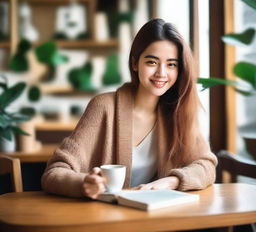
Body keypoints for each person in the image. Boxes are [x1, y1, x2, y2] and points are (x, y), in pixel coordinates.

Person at [41, 18, 217, 199]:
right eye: (152, 62)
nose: (161, 73)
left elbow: (206, 165)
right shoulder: (103, 107)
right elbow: (54, 172)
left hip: (155, 217)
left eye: (171, 64)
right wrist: (85, 183)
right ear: (135, 63)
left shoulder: (178, 111)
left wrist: (172, 181)